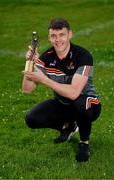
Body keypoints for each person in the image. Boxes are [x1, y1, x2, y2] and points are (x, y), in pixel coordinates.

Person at [22, 18, 101, 162]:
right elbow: (27, 89)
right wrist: (30, 63)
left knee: (79, 104)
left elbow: (74, 93)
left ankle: (84, 143)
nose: (58, 40)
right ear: (49, 37)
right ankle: (68, 126)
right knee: (31, 119)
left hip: (88, 103)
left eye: (61, 35)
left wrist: (45, 79)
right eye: (53, 36)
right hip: (63, 103)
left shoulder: (83, 56)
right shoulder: (46, 57)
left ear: (70, 34)